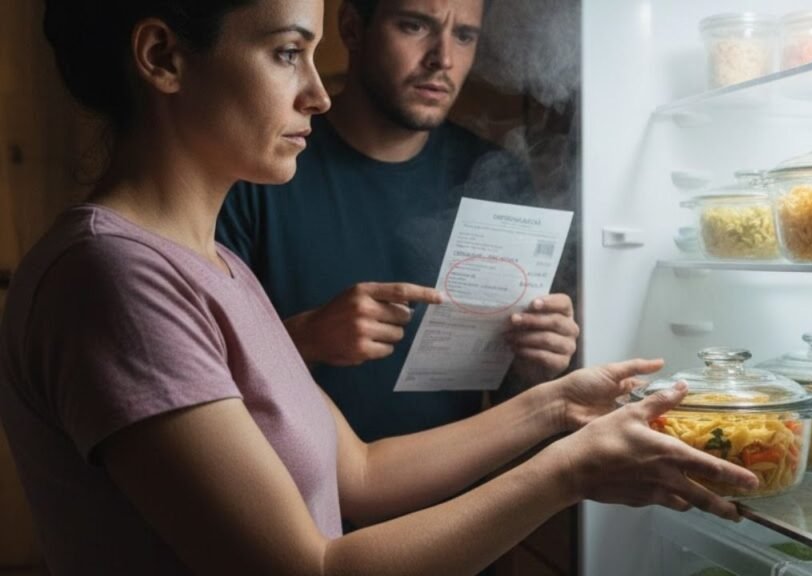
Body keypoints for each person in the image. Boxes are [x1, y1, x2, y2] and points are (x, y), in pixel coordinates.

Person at [0, 1, 757, 574]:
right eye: (286, 52)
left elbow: (358, 473)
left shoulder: (213, 268)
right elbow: (312, 567)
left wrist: (557, 403)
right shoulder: (113, 277)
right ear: (163, 57)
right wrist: (571, 469)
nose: (316, 95)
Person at [217, 0, 579, 442]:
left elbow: (505, 400)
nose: (442, 58)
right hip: (294, 500)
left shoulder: (492, 175)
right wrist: (305, 338)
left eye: (464, 36)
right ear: (352, 28)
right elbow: (201, 382)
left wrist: (534, 366)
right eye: (414, 26)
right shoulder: (259, 172)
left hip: (459, 503)